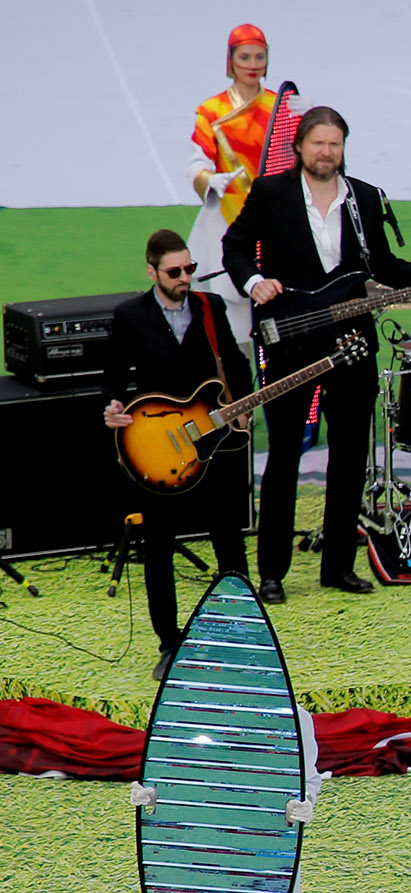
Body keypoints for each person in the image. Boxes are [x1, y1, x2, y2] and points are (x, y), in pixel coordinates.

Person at [223, 106, 411, 603]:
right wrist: (254, 281)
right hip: (291, 336)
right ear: (299, 147)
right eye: (318, 143)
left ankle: (338, 567)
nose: (326, 152)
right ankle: (272, 572)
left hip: (352, 342)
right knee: (284, 453)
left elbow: (384, 265)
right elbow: (235, 246)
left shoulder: (364, 198)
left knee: (351, 453)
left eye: (335, 144)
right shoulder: (271, 192)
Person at [102, 230, 254, 680]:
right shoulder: (130, 315)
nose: (185, 277)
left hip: (212, 441)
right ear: (152, 273)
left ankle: (242, 633)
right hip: (157, 444)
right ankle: (170, 644)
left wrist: (244, 406)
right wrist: (112, 406)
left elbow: (235, 362)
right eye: (175, 271)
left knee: (229, 539)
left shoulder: (211, 307)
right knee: (158, 548)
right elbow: (114, 375)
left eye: (190, 268)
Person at [187, 24, 278, 349]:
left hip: (274, 216)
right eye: (245, 57)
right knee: (231, 323)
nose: (252, 64)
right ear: (231, 60)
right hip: (227, 213)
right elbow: (197, 163)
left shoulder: (279, 107)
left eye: (259, 57)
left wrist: (308, 120)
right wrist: (210, 180)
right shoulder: (212, 110)